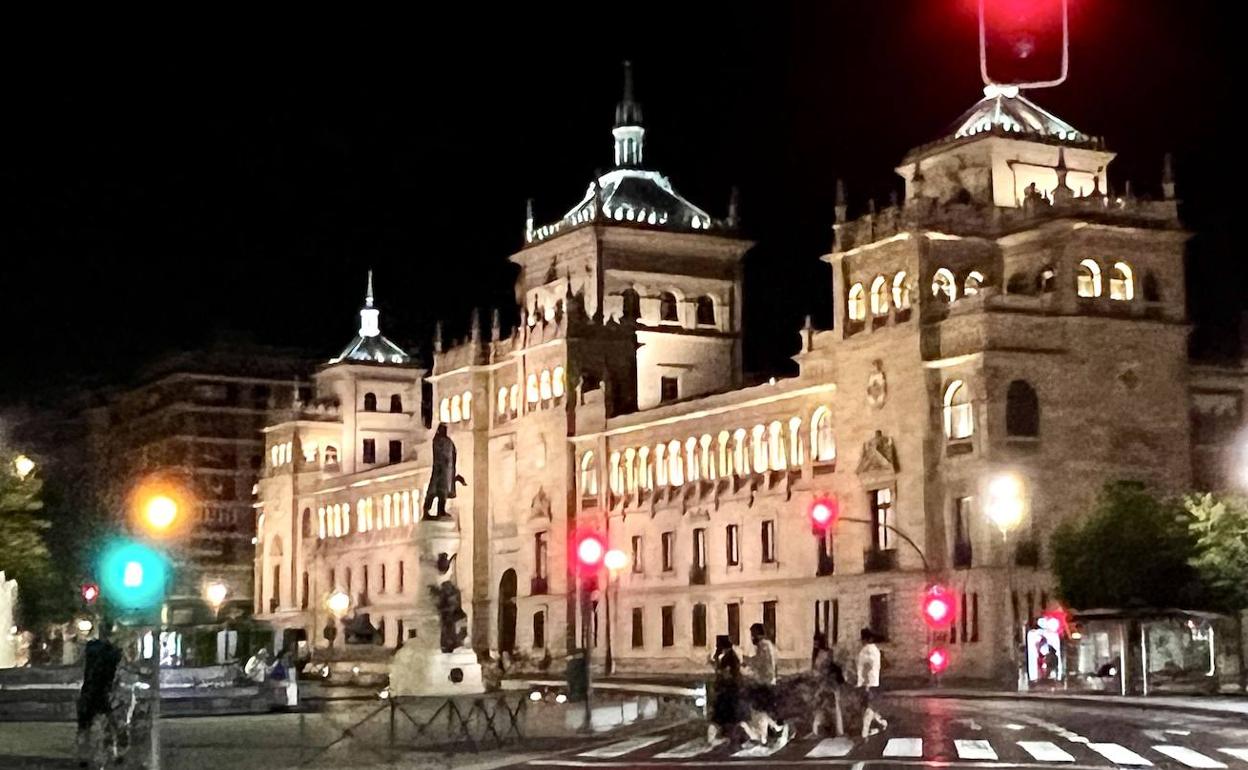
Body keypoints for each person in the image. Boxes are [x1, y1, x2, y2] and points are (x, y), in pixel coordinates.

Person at [76, 624, 123, 766]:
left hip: (88, 691)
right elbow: (117, 673)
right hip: (102, 692)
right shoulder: (114, 652)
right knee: (111, 724)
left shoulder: (91, 647)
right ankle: (115, 754)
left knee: (84, 727)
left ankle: (83, 756)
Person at [423, 424, 467, 519]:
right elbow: (441, 455)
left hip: (447, 471)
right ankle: (427, 510)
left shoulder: (448, 442)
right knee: (434, 491)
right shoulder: (438, 441)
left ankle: (441, 510)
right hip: (440, 470)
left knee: (443, 493)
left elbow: (452, 456)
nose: (444, 431)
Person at [706, 635, 742, 747]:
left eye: (718, 645)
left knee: (721, 716)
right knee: (727, 716)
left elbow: (726, 673)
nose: (717, 647)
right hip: (727, 690)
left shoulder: (730, 657)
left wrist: (716, 666)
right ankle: (729, 737)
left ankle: (717, 738)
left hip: (728, 691)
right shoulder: (728, 656)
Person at [809, 632, 845, 738]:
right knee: (821, 707)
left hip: (828, 683)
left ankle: (837, 730)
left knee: (831, 706)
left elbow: (825, 669)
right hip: (823, 684)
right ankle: (817, 730)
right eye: (814, 641)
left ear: (821, 642)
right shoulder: (819, 653)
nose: (815, 643)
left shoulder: (826, 653)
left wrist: (819, 676)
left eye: (817, 641)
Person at [855, 628, 887, 738]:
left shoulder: (866, 651)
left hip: (868, 683)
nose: (862, 640)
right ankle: (881, 723)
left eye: (863, 638)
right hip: (872, 682)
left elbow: (867, 668)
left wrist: (865, 684)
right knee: (869, 706)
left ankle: (865, 730)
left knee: (869, 706)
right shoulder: (875, 650)